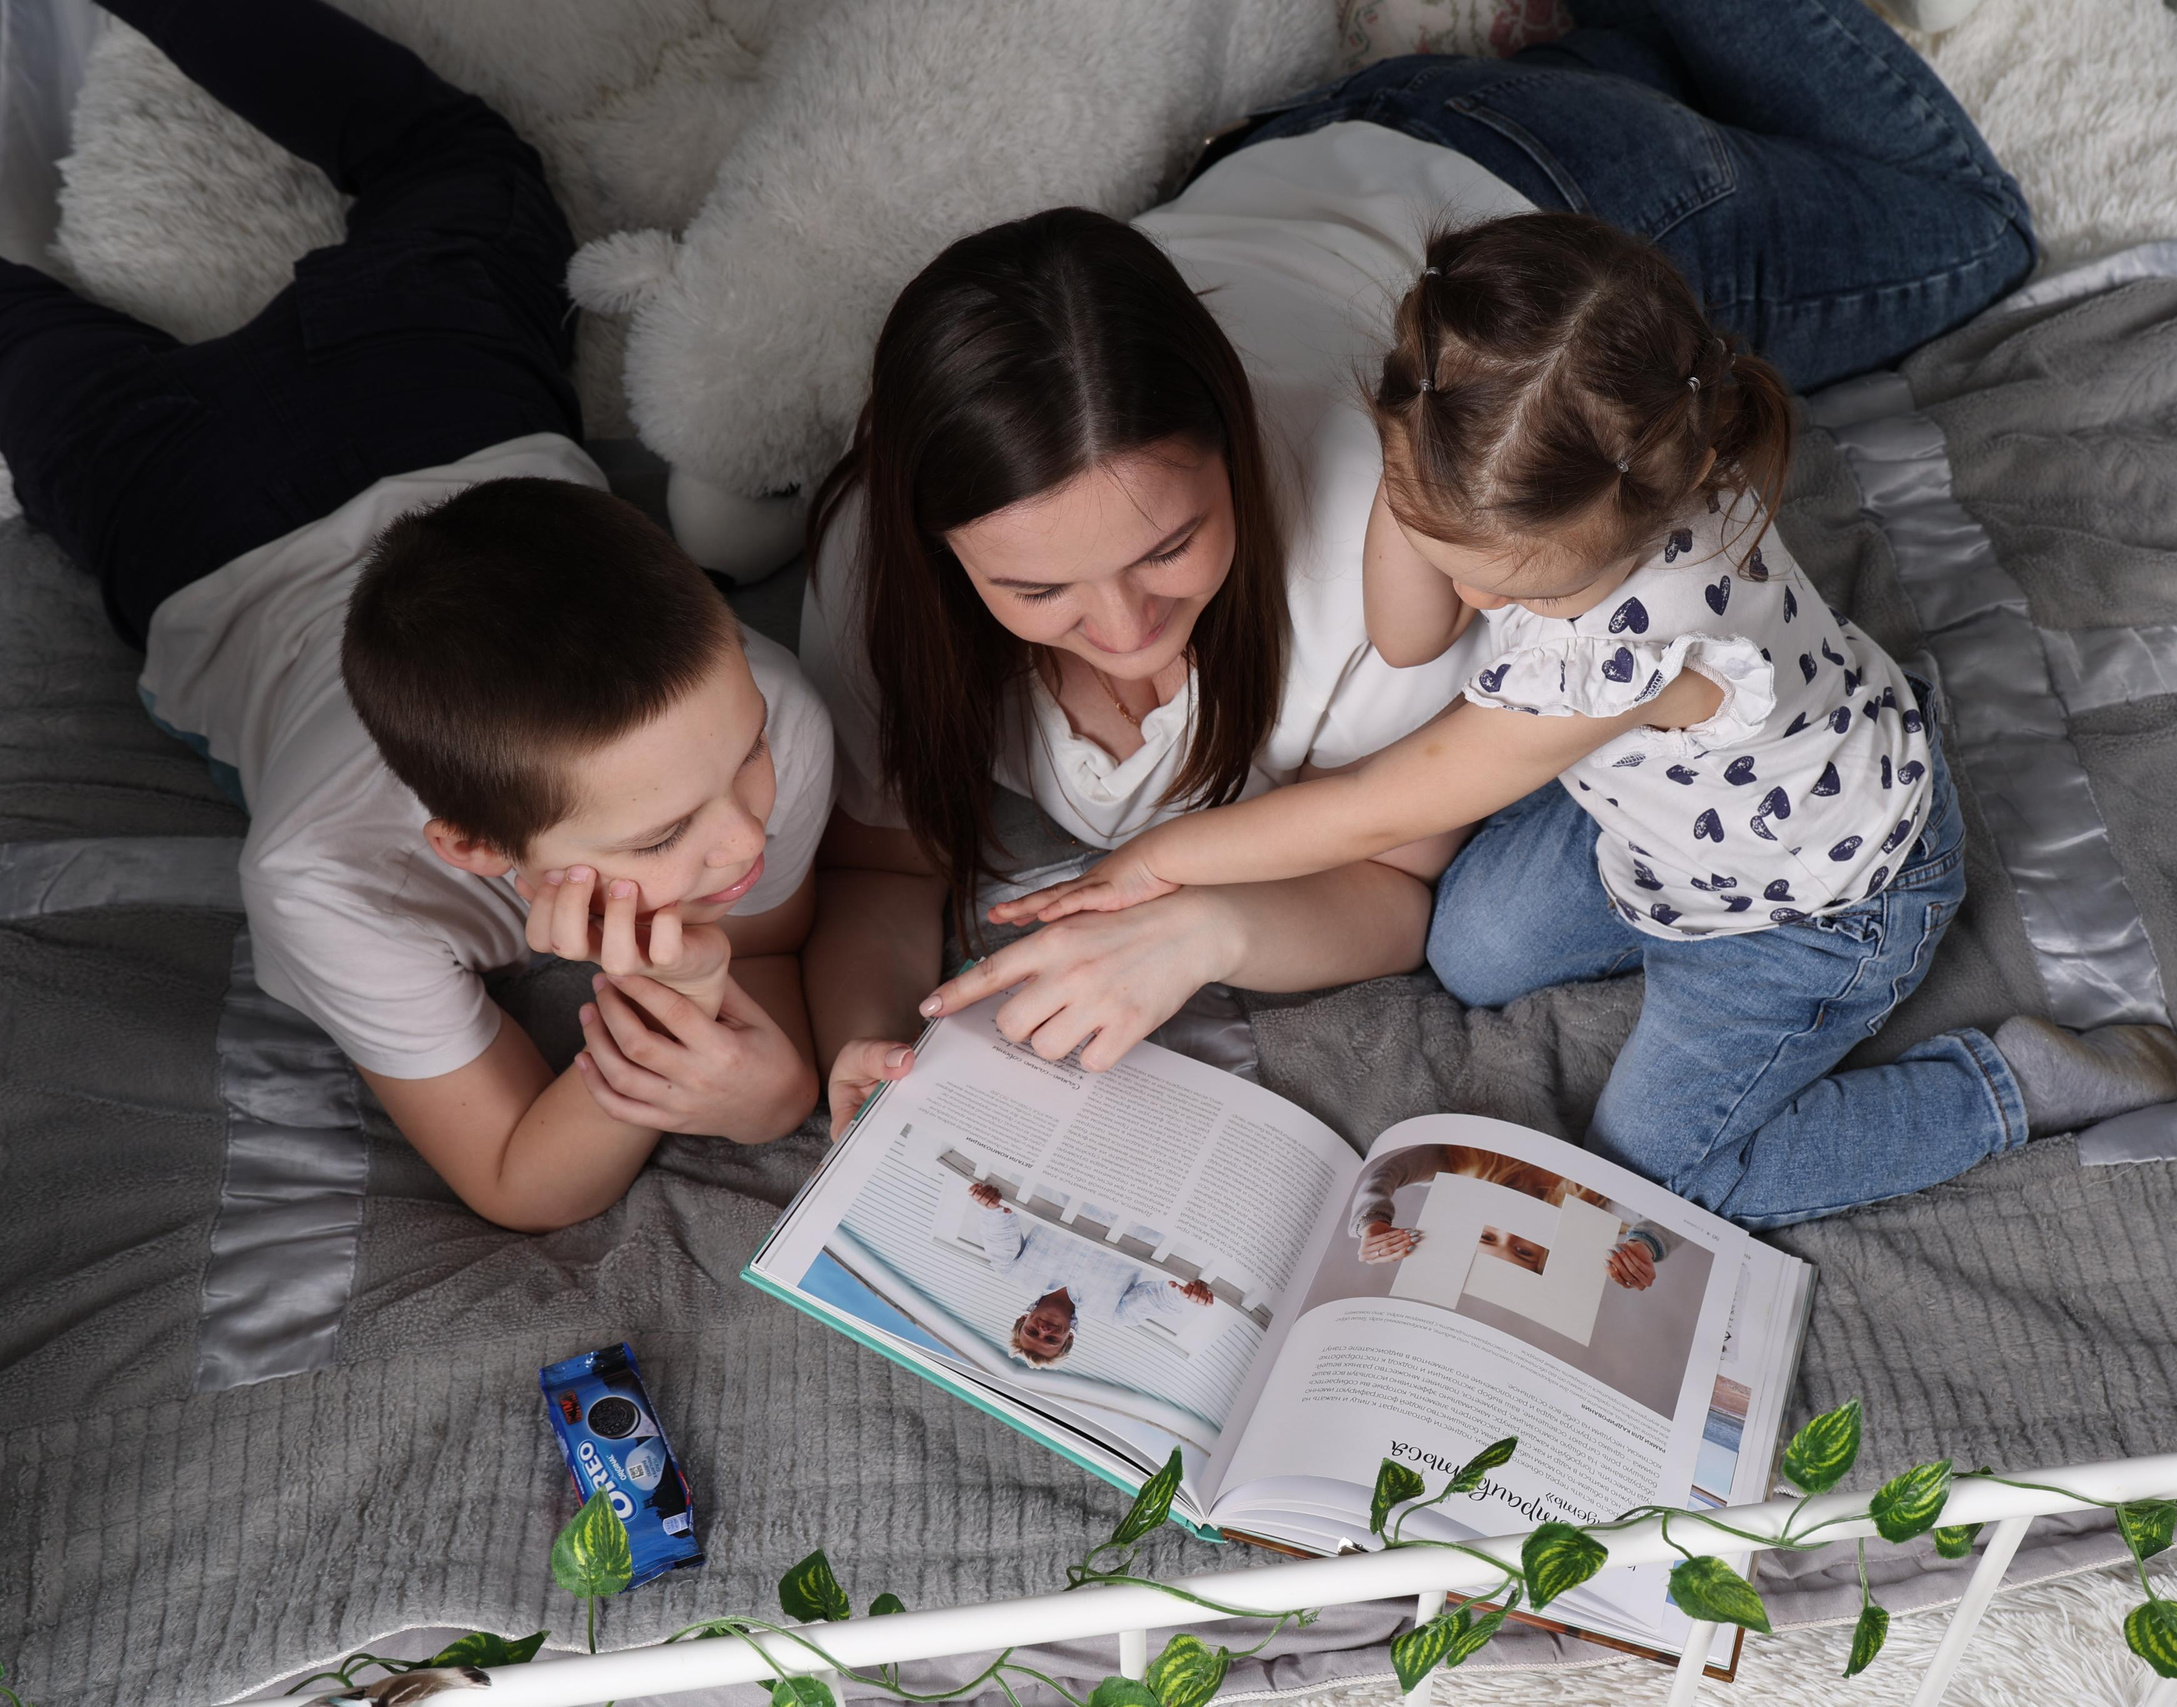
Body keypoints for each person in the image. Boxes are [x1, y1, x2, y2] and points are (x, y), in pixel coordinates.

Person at [800, 0, 2042, 1130]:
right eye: (1035, 592)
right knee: (1486, 941)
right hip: (1306, 187)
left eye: (1170, 547)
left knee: (1976, 230)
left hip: (1538, 201)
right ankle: (1564, 59)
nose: (1122, 628)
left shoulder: (1436, 528)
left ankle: (1603, 63)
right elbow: (878, 859)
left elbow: (1392, 837)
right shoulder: (883, 565)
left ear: (1233, 438)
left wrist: (1182, 895)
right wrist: (866, 1047)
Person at [996, 212, 2177, 1230]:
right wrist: (1414, 483)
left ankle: (2003, 1088)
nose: (1470, 603)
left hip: (1810, 910)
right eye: (1444, 542)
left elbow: (1374, 803)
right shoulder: (1613, 460)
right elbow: (1411, 633)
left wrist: (1155, 860)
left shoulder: (1631, 648)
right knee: (1469, 950)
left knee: (1665, 1174)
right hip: (1653, 828)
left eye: (1506, 589)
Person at [0, 0, 834, 1230]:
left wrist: (750, 1053)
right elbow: (519, 1182)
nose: (738, 843)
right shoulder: (331, 881)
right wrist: (720, 1050)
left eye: (747, 756)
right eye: (662, 839)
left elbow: (766, 943)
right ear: (473, 848)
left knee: (458, 159)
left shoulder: (772, 708)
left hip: (435, 390)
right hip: (197, 510)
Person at [1348, 1145, 1667, 1290]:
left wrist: (1372, 1223)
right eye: (1524, 1252)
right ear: (1545, 1253)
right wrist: (1645, 1245)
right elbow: (1664, 1219)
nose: (1508, 1234)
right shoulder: (1593, 1207)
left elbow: (1387, 1172)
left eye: (1487, 1237)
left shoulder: (1463, 1169)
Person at [966, 1182, 1215, 1366]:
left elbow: (998, 1230)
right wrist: (1187, 1295)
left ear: (1024, 1319)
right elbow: (1159, 1300)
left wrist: (990, 1206)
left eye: (1032, 1331)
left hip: (1091, 1181)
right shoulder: (1114, 1314)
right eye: (1052, 1340)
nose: (1044, 1330)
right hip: (1154, 1206)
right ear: (1068, 1337)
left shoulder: (1012, 1271)